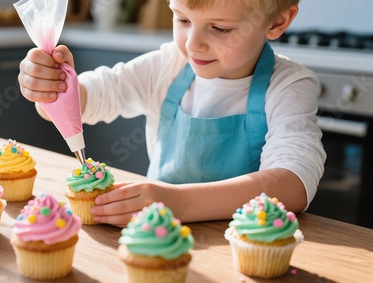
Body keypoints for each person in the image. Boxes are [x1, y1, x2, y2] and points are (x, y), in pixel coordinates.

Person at [18, 0, 326, 227]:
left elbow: (293, 184)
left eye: (219, 28)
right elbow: (87, 98)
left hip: (243, 250)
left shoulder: (289, 85)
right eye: (181, 19)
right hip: (153, 238)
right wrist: (51, 87)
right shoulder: (166, 66)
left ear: (276, 22)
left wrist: (179, 202)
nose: (193, 44)